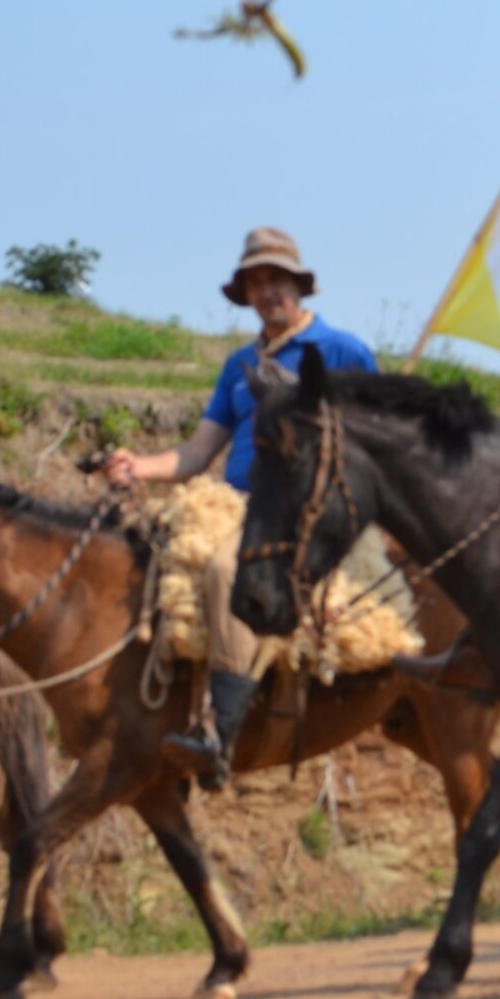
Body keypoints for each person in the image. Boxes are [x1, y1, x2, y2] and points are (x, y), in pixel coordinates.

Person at [101, 228, 378, 787]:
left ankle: (218, 733)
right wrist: (139, 466)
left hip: (301, 507)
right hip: (230, 502)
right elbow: (199, 451)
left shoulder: (342, 351)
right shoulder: (238, 365)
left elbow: (376, 440)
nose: (266, 290)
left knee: (229, 568)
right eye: (255, 281)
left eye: (276, 278)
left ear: (298, 286)